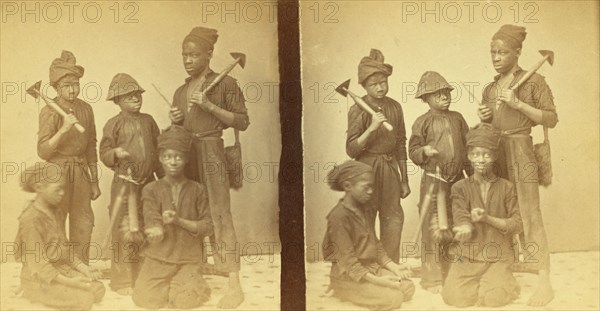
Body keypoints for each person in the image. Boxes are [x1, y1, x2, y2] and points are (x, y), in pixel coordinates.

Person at [168, 26, 249, 308]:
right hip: (186, 154)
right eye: (184, 55)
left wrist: (209, 106)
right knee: (188, 210)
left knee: (218, 212)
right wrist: (176, 118)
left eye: (194, 54)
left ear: (210, 54)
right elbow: (181, 127)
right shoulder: (180, 90)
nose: (188, 60)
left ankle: (233, 282)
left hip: (212, 152)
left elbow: (242, 122)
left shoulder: (226, 84)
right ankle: (195, 269)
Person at [477, 24, 557, 306]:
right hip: (495, 152)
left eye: (502, 52)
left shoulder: (534, 82)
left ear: (518, 52)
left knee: (529, 211)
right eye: (492, 52)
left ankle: (544, 280)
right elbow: (490, 124)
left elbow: (550, 119)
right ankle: (505, 267)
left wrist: (519, 104)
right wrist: (485, 115)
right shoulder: (490, 88)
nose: (496, 57)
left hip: (521, 151)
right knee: (498, 208)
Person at [442, 123, 523, 307]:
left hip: (499, 256)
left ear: (494, 156)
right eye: (476, 154)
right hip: (469, 255)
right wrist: (463, 226)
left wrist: (488, 218)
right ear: (469, 156)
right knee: (454, 298)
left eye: (486, 154)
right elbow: (460, 215)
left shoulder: (506, 187)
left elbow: (517, 224)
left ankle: (500, 281)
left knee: (492, 300)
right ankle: (487, 282)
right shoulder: (460, 187)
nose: (481, 159)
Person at [132, 125, 213, 309]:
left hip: (188, 259)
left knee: (184, 302)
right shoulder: (151, 189)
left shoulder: (197, 189)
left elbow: (208, 226)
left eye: (178, 156)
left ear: (186, 159)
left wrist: (179, 221)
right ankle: (174, 285)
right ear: (160, 159)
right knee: (145, 300)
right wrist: (155, 230)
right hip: (159, 258)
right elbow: (151, 217)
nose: (173, 162)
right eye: (167, 156)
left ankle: (188, 283)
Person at [100, 73, 163, 295]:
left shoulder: (149, 121)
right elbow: (104, 152)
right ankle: (122, 281)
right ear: (117, 100)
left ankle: (147, 275)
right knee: (123, 231)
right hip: (124, 185)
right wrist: (115, 152)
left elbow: (158, 150)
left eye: (138, 94)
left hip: (148, 184)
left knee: (149, 227)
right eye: (129, 95)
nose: (136, 98)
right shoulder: (113, 124)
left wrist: (162, 180)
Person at [346, 49, 410, 263]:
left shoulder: (395, 107)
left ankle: (391, 267)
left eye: (383, 82)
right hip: (366, 170)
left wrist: (404, 179)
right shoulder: (358, 110)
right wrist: (371, 128)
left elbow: (401, 143)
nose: (381, 87)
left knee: (393, 218)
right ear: (363, 86)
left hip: (390, 167)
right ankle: (367, 266)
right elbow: (351, 149)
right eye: (374, 84)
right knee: (365, 218)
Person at [323, 160, 415, 310]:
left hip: (371, 269)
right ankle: (342, 290)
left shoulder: (365, 209)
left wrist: (394, 268)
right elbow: (350, 264)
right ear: (347, 186)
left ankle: (370, 291)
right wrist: (384, 282)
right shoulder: (338, 217)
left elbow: (376, 245)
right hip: (350, 276)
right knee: (394, 297)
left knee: (408, 287)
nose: (371, 191)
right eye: (366, 187)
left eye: (372, 187)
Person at [409, 71, 470, 293]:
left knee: (458, 224)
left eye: (446, 92)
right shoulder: (421, 122)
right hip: (434, 181)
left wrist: (471, 177)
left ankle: (457, 273)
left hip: (457, 182)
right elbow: (413, 150)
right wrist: (424, 150)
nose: (444, 96)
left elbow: (468, 146)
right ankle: (432, 279)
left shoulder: (458, 118)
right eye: (438, 93)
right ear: (425, 98)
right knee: (432, 228)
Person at [37, 50, 101, 264]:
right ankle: (58, 267)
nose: (73, 90)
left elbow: (91, 146)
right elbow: (43, 151)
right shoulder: (49, 111)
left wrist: (94, 182)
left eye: (75, 84)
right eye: (67, 86)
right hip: (57, 172)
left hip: (81, 171)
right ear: (56, 88)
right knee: (56, 219)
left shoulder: (86, 109)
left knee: (83, 220)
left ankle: (80, 266)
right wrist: (63, 129)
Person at [14, 162, 105, 310]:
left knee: (98, 289)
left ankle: (64, 292)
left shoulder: (57, 212)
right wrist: (71, 283)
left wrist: (84, 269)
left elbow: (65, 249)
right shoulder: (30, 219)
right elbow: (40, 264)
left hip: (60, 270)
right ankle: (31, 291)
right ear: (39, 188)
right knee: (85, 299)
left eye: (63, 188)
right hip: (39, 277)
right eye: (58, 189)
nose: (62, 193)